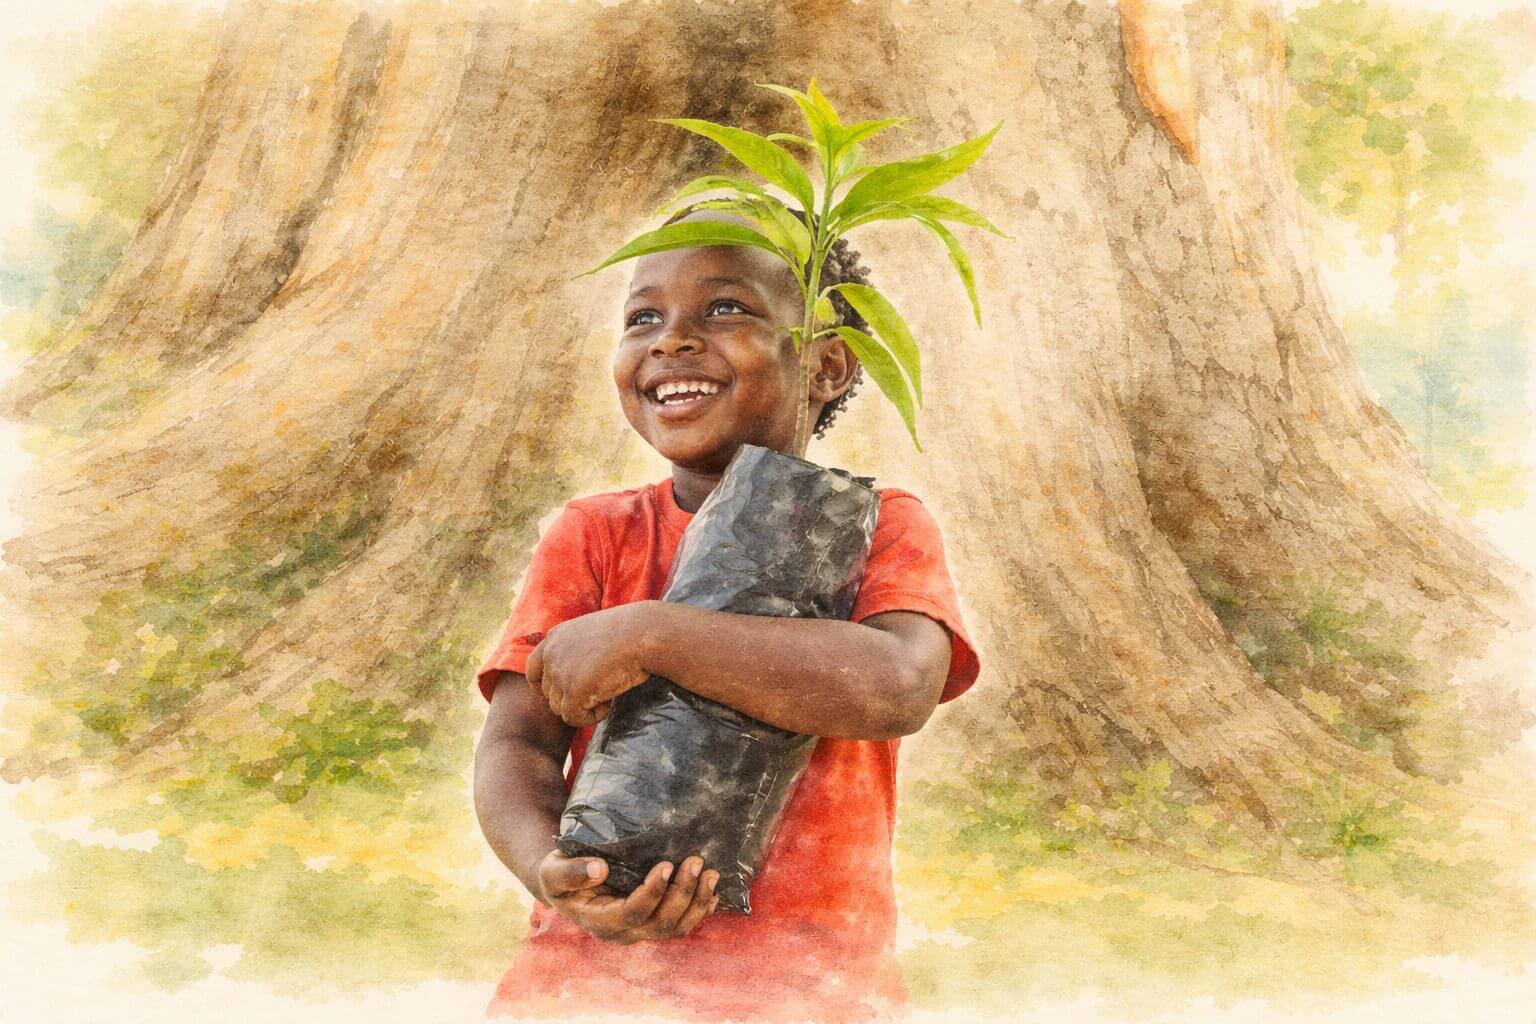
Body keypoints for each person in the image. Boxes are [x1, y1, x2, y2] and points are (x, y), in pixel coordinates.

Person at [472, 200, 982, 1023]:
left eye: (725, 308)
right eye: (643, 317)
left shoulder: (879, 525)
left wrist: (654, 634)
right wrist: (547, 873)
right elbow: (518, 741)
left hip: (804, 987)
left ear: (826, 367)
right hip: (590, 982)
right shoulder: (596, 535)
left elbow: (895, 687)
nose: (670, 340)